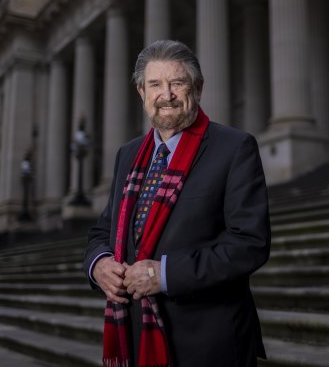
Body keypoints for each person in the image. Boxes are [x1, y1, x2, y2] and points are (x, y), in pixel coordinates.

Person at [83, 40, 271, 367]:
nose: (166, 94)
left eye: (177, 83)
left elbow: (249, 243)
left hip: (211, 341)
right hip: (137, 333)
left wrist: (166, 275)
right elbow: (103, 230)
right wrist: (98, 265)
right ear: (142, 92)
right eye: (155, 84)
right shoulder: (128, 155)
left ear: (197, 88)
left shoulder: (234, 148)